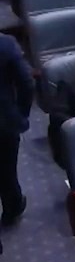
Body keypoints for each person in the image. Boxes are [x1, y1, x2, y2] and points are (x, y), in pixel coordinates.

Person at [0, 33, 33, 246]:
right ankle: (12, 207)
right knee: (7, 170)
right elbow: (26, 83)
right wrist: (21, 114)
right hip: (4, 122)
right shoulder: (5, 44)